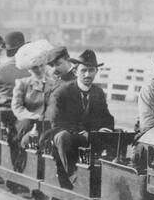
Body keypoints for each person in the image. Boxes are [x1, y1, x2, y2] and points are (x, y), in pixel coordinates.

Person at [45, 49, 116, 185]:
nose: (87, 74)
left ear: (96, 72)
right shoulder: (62, 93)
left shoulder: (98, 92)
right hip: (67, 137)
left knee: (116, 135)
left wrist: (106, 129)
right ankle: (73, 176)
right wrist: (78, 132)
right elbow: (56, 122)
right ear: (76, 72)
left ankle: (108, 176)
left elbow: (106, 117)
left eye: (91, 70)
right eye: (83, 70)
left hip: (89, 136)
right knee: (62, 136)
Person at [10, 39, 55, 140]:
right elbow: (17, 108)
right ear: (29, 68)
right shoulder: (22, 84)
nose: (39, 70)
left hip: (47, 121)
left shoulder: (54, 83)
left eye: (41, 66)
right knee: (26, 125)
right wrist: (33, 116)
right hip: (28, 120)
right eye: (35, 67)